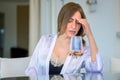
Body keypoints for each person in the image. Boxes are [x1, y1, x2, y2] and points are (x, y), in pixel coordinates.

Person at [25, 2, 103, 76]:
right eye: (70, 20)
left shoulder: (82, 48)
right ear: (62, 20)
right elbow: (32, 69)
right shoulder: (45, 41)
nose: (74, 26)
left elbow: (96, 69)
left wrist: (90, 34)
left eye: (78, 23)